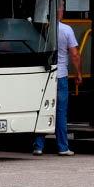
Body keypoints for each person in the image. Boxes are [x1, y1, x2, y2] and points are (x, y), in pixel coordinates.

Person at [34, 19, 81, 156]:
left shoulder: (41, 29)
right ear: (61, 11)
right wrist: (78, 74)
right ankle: (62, 147)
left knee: (43, 109)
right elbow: (74, 54)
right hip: (60, 76)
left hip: (44, 76)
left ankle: (38, 146)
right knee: (60, 112)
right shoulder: (66, 30)